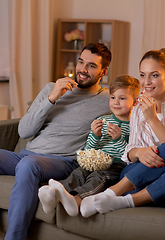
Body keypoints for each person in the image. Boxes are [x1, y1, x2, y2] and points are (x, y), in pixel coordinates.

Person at [0, 43, 112, 240]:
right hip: (27, 155)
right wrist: (51, 99)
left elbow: (130, 109)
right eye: (81, 62)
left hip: (63, 162)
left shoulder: (108, 99)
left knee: (28, 164)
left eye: (91, 66)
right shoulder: (53, 88)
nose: (83, 70)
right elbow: (24, 131)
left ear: (104, 71)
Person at [80, 48, 165, 217]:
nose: (146, 82)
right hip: (137, 173)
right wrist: (141, 152)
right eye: (142, 75)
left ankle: (124, 199)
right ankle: (115, 192)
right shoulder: (138, 108)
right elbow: (129, 152)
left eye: (154, 75)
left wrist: (152, 119)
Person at [38, 75, 140, 217]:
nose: (116, 102)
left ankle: (76, 200)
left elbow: (130, 156)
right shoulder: (102, 120)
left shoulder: (136, 126)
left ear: (135, 102)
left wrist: (118, 139)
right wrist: (95, 135)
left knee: (98, 178)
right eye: (112, 97)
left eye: (122, 98)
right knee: (78, 173)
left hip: (116, 166)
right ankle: (52, 194)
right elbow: (88, 151)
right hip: (95, 162)